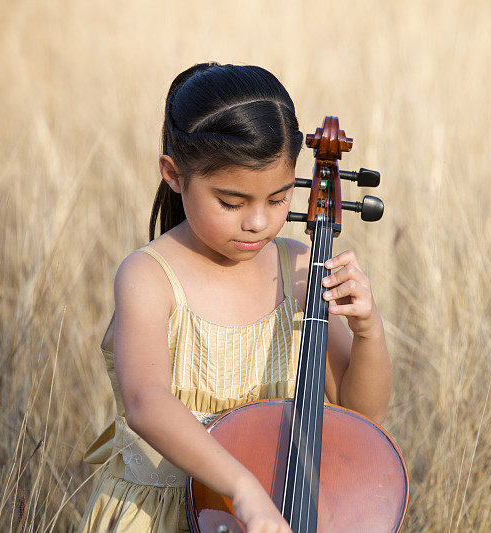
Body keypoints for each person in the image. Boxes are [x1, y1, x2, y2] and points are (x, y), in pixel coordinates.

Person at [77, 62, 392, 533]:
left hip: (277, 510)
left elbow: (360, 414)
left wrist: (369, 330)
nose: (259, 223)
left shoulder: (300, 268)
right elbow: (146, 401)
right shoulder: (148, 276)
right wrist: (243, 489)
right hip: (160, 515)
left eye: (280, 199)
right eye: (231, 202)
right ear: (174, 174)